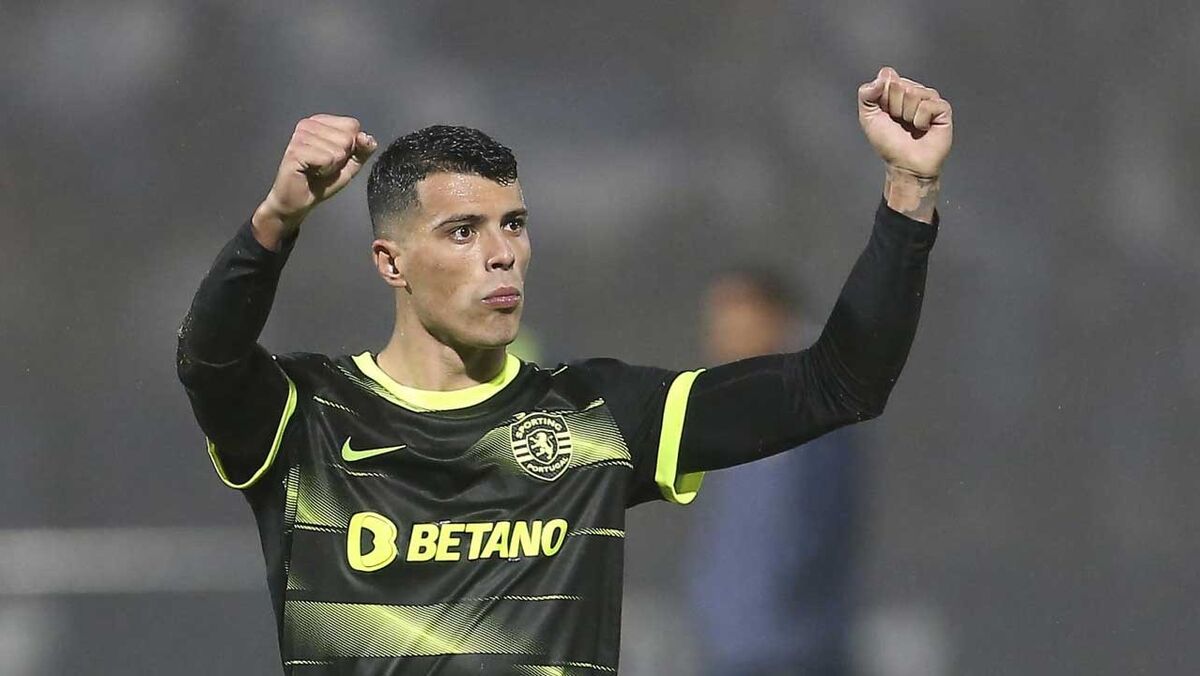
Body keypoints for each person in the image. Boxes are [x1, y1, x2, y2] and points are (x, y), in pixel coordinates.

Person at [176, 66, 951, 675]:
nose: (501, 253)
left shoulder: (595, 413)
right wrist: (276, 220)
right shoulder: (311, 416)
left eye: (513, 224)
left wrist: (909, 192)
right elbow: (208, 361)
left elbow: (839, 383)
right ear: (392, 261)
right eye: (462, 230)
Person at [687, 268, 860, 676]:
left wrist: (765, 606)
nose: (718, 334)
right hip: (743, 643)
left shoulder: (806, 399)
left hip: (786, 648)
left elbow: (807, 530)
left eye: (732, 316)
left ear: (773, 317)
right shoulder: (747, 401)